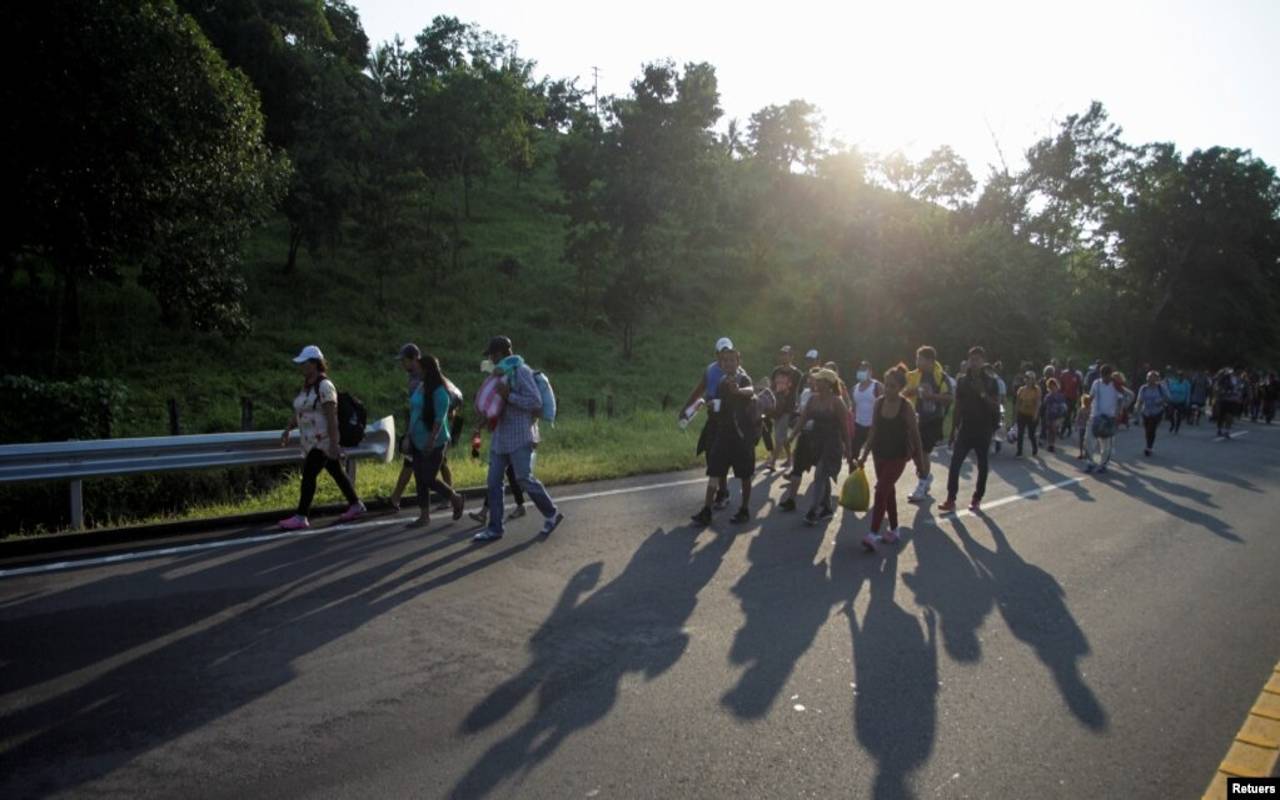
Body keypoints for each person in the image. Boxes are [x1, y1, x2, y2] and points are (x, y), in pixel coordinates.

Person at [473, 336, 564, 542]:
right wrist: (484, 420)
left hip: (520, 435)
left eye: (491, 354)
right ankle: (495, 528)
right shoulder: (500, 374)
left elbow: (535, 401)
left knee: (523, 478)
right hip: (501, 437)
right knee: (493, 481)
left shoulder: (521, 371)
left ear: (500, 353)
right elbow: (497, 403)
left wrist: (509, 396)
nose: (490, 358)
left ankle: (551, 513)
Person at [278, 345, 366, 530]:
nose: (301, 366)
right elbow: (302, 411)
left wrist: (334, 444)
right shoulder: (307, 387)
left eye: (304, 363)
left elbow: (331, 416)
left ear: (314, 364)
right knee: (336, 472)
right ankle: (356, 504)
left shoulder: (325, 386)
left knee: (309, 475)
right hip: (310, 441)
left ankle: (301, 516)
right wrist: (288, 428)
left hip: (322, 441)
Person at [856, 364, 926, 551]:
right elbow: (873, 431)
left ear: (901, 387)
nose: (888, 389)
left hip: (898, 456)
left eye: (893, 386)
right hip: (879, 454)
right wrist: (863, 456)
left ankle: (873, 533)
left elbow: (916, 436)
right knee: (888, 492)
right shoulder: (879, 402)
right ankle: (894, 530)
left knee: (881, 490)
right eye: (886, 385)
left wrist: (921, 465)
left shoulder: (906, 407)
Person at [691, 340, 756, 525]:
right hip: (724, 434)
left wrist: (739, 390)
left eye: (732, 360)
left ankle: (744, 510)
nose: (728, 363)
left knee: (745, 475)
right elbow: (721, 405)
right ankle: (707, 510)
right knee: (714, 471)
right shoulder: (720, 381)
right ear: (721, 363)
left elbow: (750, 391)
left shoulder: (743, 378)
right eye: (725, 360)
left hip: (742, 437)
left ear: (738, 362)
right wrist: (712, 406)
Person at [404, 354, 467, 526]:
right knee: (419, 477)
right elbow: (414, 412)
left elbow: (439, 420)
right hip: (417, 440)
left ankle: (455, 498)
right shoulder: (421, 387)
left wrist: (431, 441)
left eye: (419, 367)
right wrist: (409, 436)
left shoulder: (440, 392)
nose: (416, 370)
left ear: (426, 369)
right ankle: (424, 516)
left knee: (429, 478)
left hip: (435, 442)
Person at [783, 369, 851, 525]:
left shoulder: (837, 402)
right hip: (816, 443)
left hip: (832, 445)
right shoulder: (813, 399)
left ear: (827, 384)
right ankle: (826, 508)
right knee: (823, 475)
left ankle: (813, 511)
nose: (815, 382)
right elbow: (802, 420)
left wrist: (849, 449)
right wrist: (792, 436)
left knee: (820, 474)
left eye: (819, 380)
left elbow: (845, 428)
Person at [938, 346, 1000, 513]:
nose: (974, 363)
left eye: (978, 359)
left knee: (983, 465)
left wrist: (983, 394)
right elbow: (958, 405)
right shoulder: (962, 381)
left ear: (983, 361)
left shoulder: (991, 382)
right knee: (955, 463)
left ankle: (977, 497)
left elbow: (996, 406)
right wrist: (953, 430)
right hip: (966, 428)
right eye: (972, 359)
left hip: (984, 429)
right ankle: (951, 499)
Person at [904, 345, 952, 503]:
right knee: (913, 451)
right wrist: (914, 391)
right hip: (915, 418)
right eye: (917, 358)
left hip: (933, 419)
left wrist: (931, 396)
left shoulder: (940, 377)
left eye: (920, 358)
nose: (917, 361)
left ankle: (922, 485)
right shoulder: (913, 376)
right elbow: (904, 392)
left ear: (930, 361)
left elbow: (948, 398)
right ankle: (926, 475)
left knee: (923, 450)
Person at [765, 346, 804, 472]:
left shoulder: (797, 373)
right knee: (781, 434)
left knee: (779, 437)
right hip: (777, 407)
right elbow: (771, 387)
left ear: (792, 357)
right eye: (781, 354)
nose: (783, 357)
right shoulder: (776, 371)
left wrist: (799, 404)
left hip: (789, 408)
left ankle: (773, 462)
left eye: (786, 354)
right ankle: (789, 458)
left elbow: (801, 390)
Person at [1085, 364, 1121, 474]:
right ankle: (1090, 463)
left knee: (1106, 445)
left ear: (1110, 375)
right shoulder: (1096, 383)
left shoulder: (1116, 385)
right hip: (1095, 417)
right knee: (1088, 440)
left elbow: (1121, 400)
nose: (1104, 378)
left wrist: (1118, 413)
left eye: (1106, 375)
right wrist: (1085, 409)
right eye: (1102, 375)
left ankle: (1103, 464)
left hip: (1109, 418)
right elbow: (1090, 397)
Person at [850, 360, 882, 460]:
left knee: (878, 455)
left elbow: (884, 404)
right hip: (858, 426)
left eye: (864, 369)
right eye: (860, 369)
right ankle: (854, 474)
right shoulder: (854, 388)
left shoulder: (877, 386)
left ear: (870, 372)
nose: (861, 371)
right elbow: (853, 408)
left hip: (874, 426)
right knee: (853, 454)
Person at [1136, 370, 1170, 457]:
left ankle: (1149, 447)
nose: (1150, 379)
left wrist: (1161, 401)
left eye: (1153, 377)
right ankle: (1148, 444)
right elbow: (1139, 400)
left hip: (1157, 412)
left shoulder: (1160, 388)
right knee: (1147, 430)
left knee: (1152, 429)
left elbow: (1168, 397)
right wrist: (1137, 410)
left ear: (1157, 379)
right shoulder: (1143, 388)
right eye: (1149, 377)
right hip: (1146, 412)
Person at [1014, 370, 1042, 458]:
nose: (1027, 380)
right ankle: (1019, 451)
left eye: (1029, 378)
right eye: (1026, 378)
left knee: (1031, 434)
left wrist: (1035, 415)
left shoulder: (1036, 390)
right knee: (1020, 433)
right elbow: (1018, 402)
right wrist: (1015, 414)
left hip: (1031, 414)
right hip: (1022, 413)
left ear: (1033, 380)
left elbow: (1038, 403)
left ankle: (1034, 448)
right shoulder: (1021, 389)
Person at [1214, 367, 1241, 439]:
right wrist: (1219, 393)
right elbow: (1216, 388)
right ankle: (1219, 429)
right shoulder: (1221, 379)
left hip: (1232, 400)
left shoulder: (1236, 380)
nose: (1230, 374)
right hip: (1223, 400)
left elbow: (1238, 390)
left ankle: (1227, 431)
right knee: (1221, 416)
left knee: (1229, 416)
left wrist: (1238, 397)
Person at [1059, 359, 1082, 438]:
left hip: (1073, 398)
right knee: (1066, 415)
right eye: (1069, 365)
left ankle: (1064, 431)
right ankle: (1066, 430)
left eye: (1072, 365)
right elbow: (1061, 386)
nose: (1071, 366)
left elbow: (1080, 387)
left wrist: (1080, 400)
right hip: (1065, 397)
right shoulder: (1064, 374)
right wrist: (1060, 396)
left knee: (1067, 415)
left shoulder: (1077, 375)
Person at [1043, 378, 1067, 453]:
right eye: (1051, 387)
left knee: (1053, 430)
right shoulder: (1048, 396)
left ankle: (1052, 445)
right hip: (1049, 415)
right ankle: (1049, 444)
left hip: (1057, 415)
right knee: (1049, 430)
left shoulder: (1061, 396)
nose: (1053, 388)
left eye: (1054, 386)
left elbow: (1063, 406)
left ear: (1057, 387)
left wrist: (1062, 416)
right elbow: (1045, 405)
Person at [1165, 370, 1191, 434]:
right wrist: (1167, 398)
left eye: (1181, 376)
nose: (1180, 377)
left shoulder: (1186, 383)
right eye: (1179, 376)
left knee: (1179, 416)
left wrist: (1187, 402)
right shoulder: (1173, 382)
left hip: (1181, 402)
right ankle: (1172, 424)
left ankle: (1177, 428)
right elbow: (1169, 390)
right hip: (1172, 400)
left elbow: (1188, 393)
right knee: (1170, 414)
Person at [1074, 394, 1092, 460]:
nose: (1087, 403)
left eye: (1088, 402)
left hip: (1088, 427)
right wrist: (1076, 425)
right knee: (1081, 440)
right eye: (1085, 401)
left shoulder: (1091, 410)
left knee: (1087, 441)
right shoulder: (1081, 409)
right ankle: (1081, 453)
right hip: (1082, 426)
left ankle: (1086, 453)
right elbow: (1077, 418)